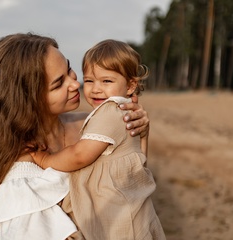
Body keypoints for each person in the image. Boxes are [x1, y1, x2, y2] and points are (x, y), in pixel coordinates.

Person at [0, 33, 150, 240]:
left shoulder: (94, 125)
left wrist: (141, 134)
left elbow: (135, 181)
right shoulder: (21, 169)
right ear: (29, 99)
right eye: (58, 84)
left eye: (69, 69)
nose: (76, 84)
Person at [32, 39, 166, 240]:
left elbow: (79, 155)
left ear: (131, 86)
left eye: (107, 81)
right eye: (90, 81)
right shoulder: (111, 114)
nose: (95, 89)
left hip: (118, 219)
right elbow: (139, 160)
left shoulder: (112, 111)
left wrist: (44, 160)